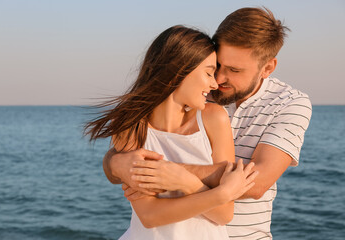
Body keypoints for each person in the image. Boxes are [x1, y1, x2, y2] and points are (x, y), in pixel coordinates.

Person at [103, 7, 312, 240]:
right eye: (217, 66)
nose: (219, 80)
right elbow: (126, 154)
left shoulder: (289, 103)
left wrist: (157, 173)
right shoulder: (197, 96)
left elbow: (254, 182)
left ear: (267, 68)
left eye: (233, 70)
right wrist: (116, 163)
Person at [84, 25, 258, 239]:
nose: (214, 84)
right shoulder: (130, 125)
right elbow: (149, 215)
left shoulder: (213, 118)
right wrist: (218, 193)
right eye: (208, 73)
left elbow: (224, 214)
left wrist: (185, 182)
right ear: (179, 70)